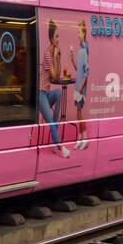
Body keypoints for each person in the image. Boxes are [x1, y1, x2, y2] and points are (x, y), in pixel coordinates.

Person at [37, 19, 72, 158]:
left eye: (59, 36)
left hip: (47, 94)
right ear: (51, 38)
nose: (58, 39)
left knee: (59, 93)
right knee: (51, 119)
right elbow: (54, 76)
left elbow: (56, 78)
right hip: (39, 94)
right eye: (56, 36)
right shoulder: (47, 54)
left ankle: (54, 134)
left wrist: (58, 58)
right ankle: (60, 146)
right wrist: (56, 57)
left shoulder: (53, 53)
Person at [71, 19, 90, 150]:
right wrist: (72, 59)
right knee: (78, 113)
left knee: (79, 113)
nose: (78, 34)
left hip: (80, 87)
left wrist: (81, 88)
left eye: (79, 32)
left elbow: (87, 72)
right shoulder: (80, 51)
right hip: (78, 86)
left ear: (83, 34)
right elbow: (79, 70)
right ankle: (80, 138)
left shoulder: (84, 51)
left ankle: (85, 138)